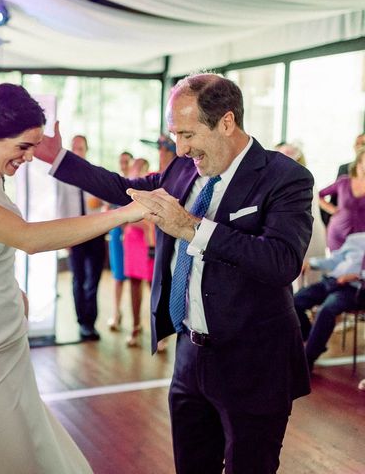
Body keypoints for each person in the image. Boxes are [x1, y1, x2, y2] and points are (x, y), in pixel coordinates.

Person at [35, 72, 313, 474]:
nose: (180, 148)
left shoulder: (284, 177)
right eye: (174, 135)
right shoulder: (182, 171)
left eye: (187, 134)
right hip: (189, 358)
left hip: (254, 363)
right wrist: (57, 159)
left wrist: (193, 229)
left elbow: (282, 261)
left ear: (227, 122)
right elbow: (122, 187)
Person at [0, 83, 145, 473]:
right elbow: (27, 238)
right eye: (24, 147)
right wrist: (121, 214)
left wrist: (13, 293)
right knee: (24, 461)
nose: (29, 158)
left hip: (7, 333)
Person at [56, 135, 106, 341]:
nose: (78, 151)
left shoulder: (95, 173)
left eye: (81, 148)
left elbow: (105, 199)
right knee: (79, 279)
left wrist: (100, 201)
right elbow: (61, 207)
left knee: (94, 279)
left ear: (87, 150)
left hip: (95, 232)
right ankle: (82, 322)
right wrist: (64, 238)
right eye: (74, 148)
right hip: (74, 234)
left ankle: (91, 323)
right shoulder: (64, 177)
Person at [294, 232, 365, 371]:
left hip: (355, 289)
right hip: (332, 281)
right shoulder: (356, 238)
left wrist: (358, 276)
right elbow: (335, 260)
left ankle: (308, 359)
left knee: (326, 310)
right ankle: (312, 337)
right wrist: (311, 262)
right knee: (294, 301)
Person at [275, 142, 326, 288]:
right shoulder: (302, 175)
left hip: (308, 230)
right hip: (306, 229)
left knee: (309, 272)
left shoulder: (299, 177)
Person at [122, 158, 154, 347]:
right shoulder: (130, 186)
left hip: (150, 240)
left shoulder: (153, 184)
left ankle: (160, 332)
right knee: (134, 283)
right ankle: (135, 326)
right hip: (133, 238)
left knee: (153, 285)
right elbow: (124, 214)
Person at [318, 145, 365, 251]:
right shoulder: (343, 182)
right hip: (338, 235)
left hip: (361, 238)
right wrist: (332, 209)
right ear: (359, 162)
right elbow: (318, 195)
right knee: (336, 265)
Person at [106, 150, 133, 330]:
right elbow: (107, 207)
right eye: (121, 162)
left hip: (133, 234)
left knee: (136, 278)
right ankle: (116, 313)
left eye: (126, 162)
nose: (123, 165)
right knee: (118, 276)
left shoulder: (137, 184)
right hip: (117, 233)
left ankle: (136, 320)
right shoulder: (114, 183)